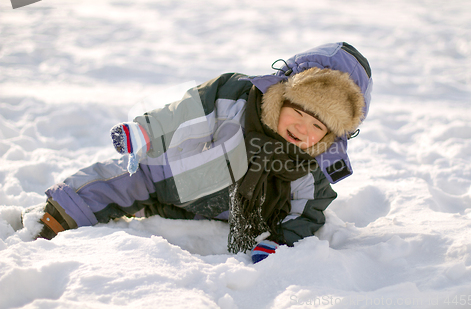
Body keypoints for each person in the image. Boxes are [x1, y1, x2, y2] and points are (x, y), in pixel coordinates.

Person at [24, 42, 373, 263]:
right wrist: (144, 131)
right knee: (124, 179)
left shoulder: (313, 165)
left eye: (317, 127)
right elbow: (183, 112)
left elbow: (307, 212)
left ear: (332, 135)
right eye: (297, 113)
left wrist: (280, 244)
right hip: (173, 179)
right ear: (281, 96)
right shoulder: (236, 99)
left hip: (225, 213)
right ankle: (60, 215)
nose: (302, 129)